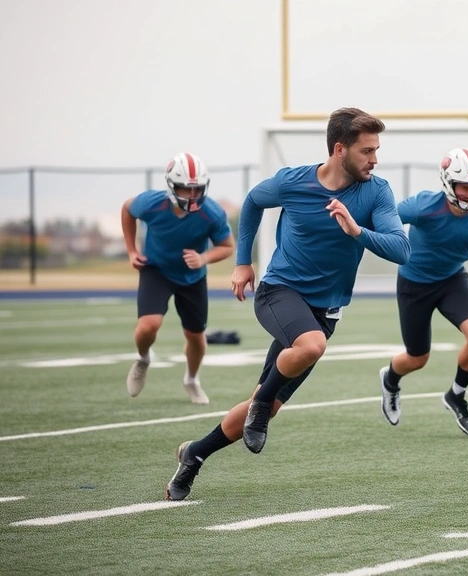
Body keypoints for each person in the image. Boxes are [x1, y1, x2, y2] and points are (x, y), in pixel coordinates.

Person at [165, 107, 410, 500]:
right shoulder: (293, 182)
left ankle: (195, 454)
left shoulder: (377, 191)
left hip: (325, 311)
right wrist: (243, 262)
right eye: (367, 151)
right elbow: (253, 202)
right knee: (310, 347)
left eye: (376, 150)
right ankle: (261, 404)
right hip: (279, 291)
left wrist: (357, 231)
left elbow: (401, 249)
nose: (374, 159)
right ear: (339, 150)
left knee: (267, 402)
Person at [378, 148, 468, 436]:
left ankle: (456, 395)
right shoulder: (422, 206)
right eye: (465, 186)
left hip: (452, 280)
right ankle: (390, 379)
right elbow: (384, 216)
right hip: (414, 283)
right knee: (417, 358)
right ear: (448, 184)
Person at [121, 152, 235, 405]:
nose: (192, 195)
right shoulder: (152, 203)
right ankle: (143, 358)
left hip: (192, 276)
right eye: (186, 188)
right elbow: (127, 209)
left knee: (196, 336)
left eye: (198, 189)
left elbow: (228, 246)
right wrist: (131, 250)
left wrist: (203, 258)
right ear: (172, 186)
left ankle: (191, 380)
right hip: (156, 269)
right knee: (148, 326)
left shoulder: (212, 213)